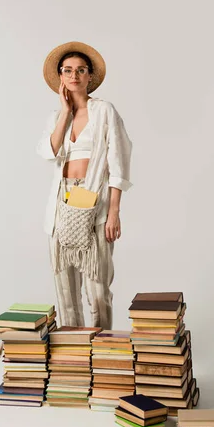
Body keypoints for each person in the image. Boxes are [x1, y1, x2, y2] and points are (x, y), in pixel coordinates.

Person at [37, 41, 133, 329]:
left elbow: (118, 161)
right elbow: (48, 152)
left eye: (81, 70)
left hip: (96, 199)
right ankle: (74, 355)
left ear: (90, 76)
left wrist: (114, 211)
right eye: (68, 70)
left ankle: (102, 353)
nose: (74, 76)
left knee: (98, 287)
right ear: (60, 78)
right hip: (63, 202)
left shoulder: (104, 111)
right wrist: (65, 112)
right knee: (65, 287)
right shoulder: (57, 117)